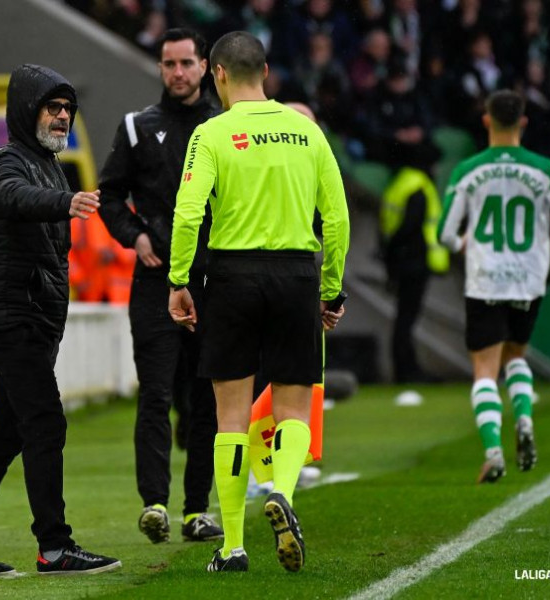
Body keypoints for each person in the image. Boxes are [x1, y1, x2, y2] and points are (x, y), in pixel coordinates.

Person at [167, 31, 350, 573]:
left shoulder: (211, 133)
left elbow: (186, 212)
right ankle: (284, 493)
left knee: (230, 416)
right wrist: (331, 287)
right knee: (295, 406)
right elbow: (336, 218)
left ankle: (232, 547)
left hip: (232, 277)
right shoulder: (307, 131)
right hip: (296, 273)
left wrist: (179, 279)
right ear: (265, 71)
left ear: (216, 74)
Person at [0, 64, 121, 576]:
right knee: (45, 420)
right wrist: (65, 202)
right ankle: (55, 547)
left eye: (67, 110)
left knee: (6, 433)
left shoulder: (49, 165)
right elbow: (16, 199)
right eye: (52, 108)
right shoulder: (8, 163)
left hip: (30, 319)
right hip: (10, 316)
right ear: (26, 110)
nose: (61, 117)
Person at [97, 28, 223, 544]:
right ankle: (155, 504)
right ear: (161, 68)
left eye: (186, 63)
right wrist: (136, 235)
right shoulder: (136, 128)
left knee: (206, 398)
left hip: (213, 281)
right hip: (154, 281)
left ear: (205, 67)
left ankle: (197, 509)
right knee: (155, 394)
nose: (177, 73)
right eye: (169, 64)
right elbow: (109, 196)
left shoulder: (225, 126)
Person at [438, 89, 550, 484]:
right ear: (523, 122)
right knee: (516, 355)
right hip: (528, 280)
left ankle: (493, 451)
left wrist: (462, 243)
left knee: (485, 371)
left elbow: (444, 235)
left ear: (486, 120)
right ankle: (523, 418)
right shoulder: (543, 169)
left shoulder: (468, 170)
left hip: (485, 279)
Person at [380, 165, 449, 383]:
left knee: (404, 317)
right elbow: (411, 225)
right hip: (415, 261)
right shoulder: (419, 186)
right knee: (406, 318)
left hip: (400, 261)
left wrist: (390, 259)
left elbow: (390, 226)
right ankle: (407, 370)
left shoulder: (398, 184)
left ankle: (405, 368)